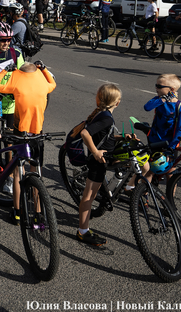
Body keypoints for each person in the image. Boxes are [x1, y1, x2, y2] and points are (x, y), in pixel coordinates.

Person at [0, 61, 56, 224]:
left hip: (21, 132)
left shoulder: (17, 85)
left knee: (19, 173)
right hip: (37, 134)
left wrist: (6, 70)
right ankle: (39, 213)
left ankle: (17, 212)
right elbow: (53, 83)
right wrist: (44, 68)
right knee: (36, 172)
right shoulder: (44, 85)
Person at [71, 83, 126, 247]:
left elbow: (104, 134)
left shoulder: (102, 114)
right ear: (118, 103)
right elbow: (85, 133)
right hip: (98, 161)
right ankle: (83, 231)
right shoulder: (106, 118)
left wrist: (122, 137)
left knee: (92, 194)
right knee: (89, 197)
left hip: (102, 158)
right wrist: (95, 152)